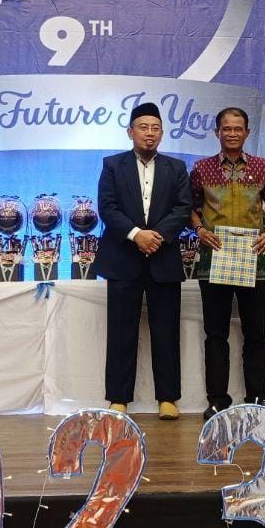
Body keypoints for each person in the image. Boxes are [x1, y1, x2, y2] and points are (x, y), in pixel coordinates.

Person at [94, 101, 192, 419]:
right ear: (130, 132)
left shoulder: (176, 168)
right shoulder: (113, 165)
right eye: (143, 127)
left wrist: (156, 236)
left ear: (161, 134)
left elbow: (183, 208)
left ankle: (168, 398)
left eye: (155, 128)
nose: (150, 134)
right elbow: (107, 207)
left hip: (163, 258)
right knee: (121, 331)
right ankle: (119, 397)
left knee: (166, 330)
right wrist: (137, 234)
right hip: (123, 258)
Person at [189, 107, 265, 420]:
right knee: (216, 334)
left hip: (253, 258)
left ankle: (258, 396)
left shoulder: (262, 166)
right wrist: (200, 230)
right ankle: (217, 399)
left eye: (237, 128)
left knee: (256, 333)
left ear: (247, 133)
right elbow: (191, 208)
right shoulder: (201, 168)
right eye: (226, 128)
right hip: (214, 259)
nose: (232, 133)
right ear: (217, 132)